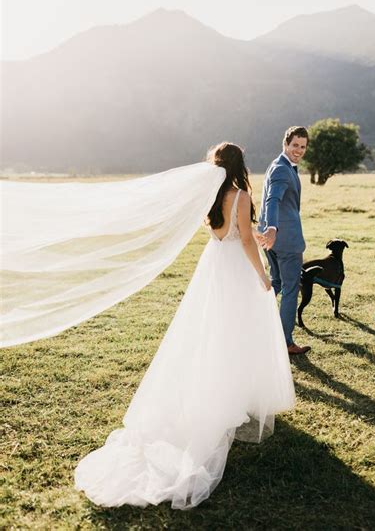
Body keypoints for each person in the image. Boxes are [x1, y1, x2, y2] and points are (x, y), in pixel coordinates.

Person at [74, 142, 295, 509]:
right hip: (236, 270)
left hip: (213, 266)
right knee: (237, 335)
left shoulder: (210, 196)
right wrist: (263, 274)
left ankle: (226, 392)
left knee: (212, 332)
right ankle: (230, 397)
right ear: (239, 165)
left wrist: (258, 234)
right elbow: (243, 244)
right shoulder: (239, 195)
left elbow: (233, 235)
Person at [258, 126, 310, 355]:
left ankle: (256, 323)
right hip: (283, 240)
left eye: (303, 146)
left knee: (276, 282)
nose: (298, 150)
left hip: (272, 241)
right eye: (295, 145)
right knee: (290, 288)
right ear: (285, 144)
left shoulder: (279, 165)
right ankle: (285, 342)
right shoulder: (281, 169)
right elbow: (273, 200)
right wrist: (272, 228)